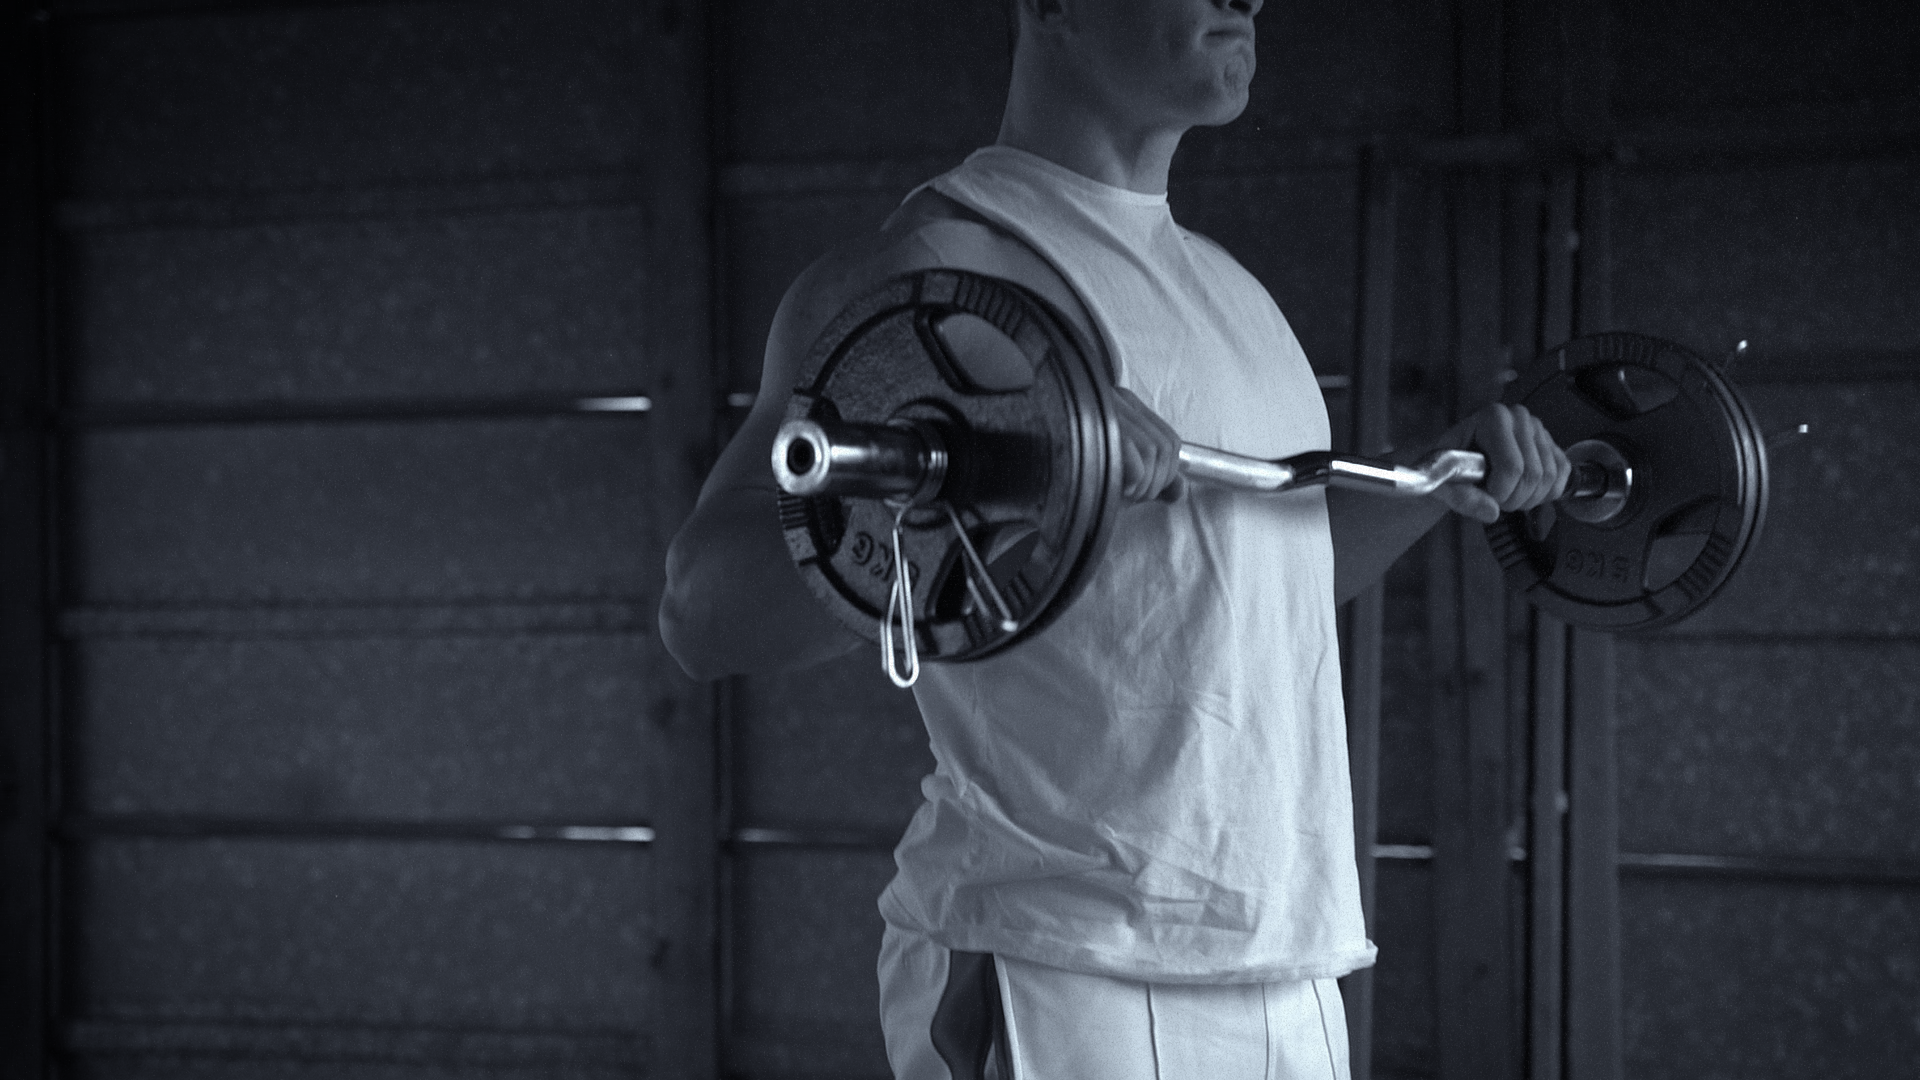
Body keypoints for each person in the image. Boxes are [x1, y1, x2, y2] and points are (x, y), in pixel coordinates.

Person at [661, 0, 1570, 1076]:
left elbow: (1256, 588)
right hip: (1056, 955)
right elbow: (702, 614)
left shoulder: (1233, 293)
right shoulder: (932, 267)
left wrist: (1439, 476)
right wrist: (1005, 465)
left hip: (1286, 954)